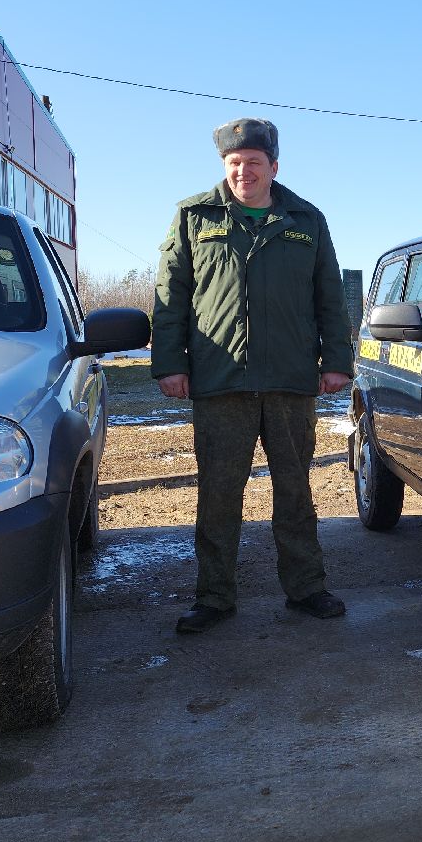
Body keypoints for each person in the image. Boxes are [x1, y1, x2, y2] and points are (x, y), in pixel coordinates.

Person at [152, 118, 355, 634]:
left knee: (295, 491)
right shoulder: (193, 217)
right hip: (221, 381)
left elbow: (329, 297)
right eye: (234, 163)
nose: (243, 171)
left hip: (289, 380)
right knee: (219, 494)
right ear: (225, 166)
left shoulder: (305, 220)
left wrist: (336, 361)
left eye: (253, 162)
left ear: (273, 167)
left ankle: (306, 588)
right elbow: (170, 297)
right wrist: (170, 363)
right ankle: (214, 596)